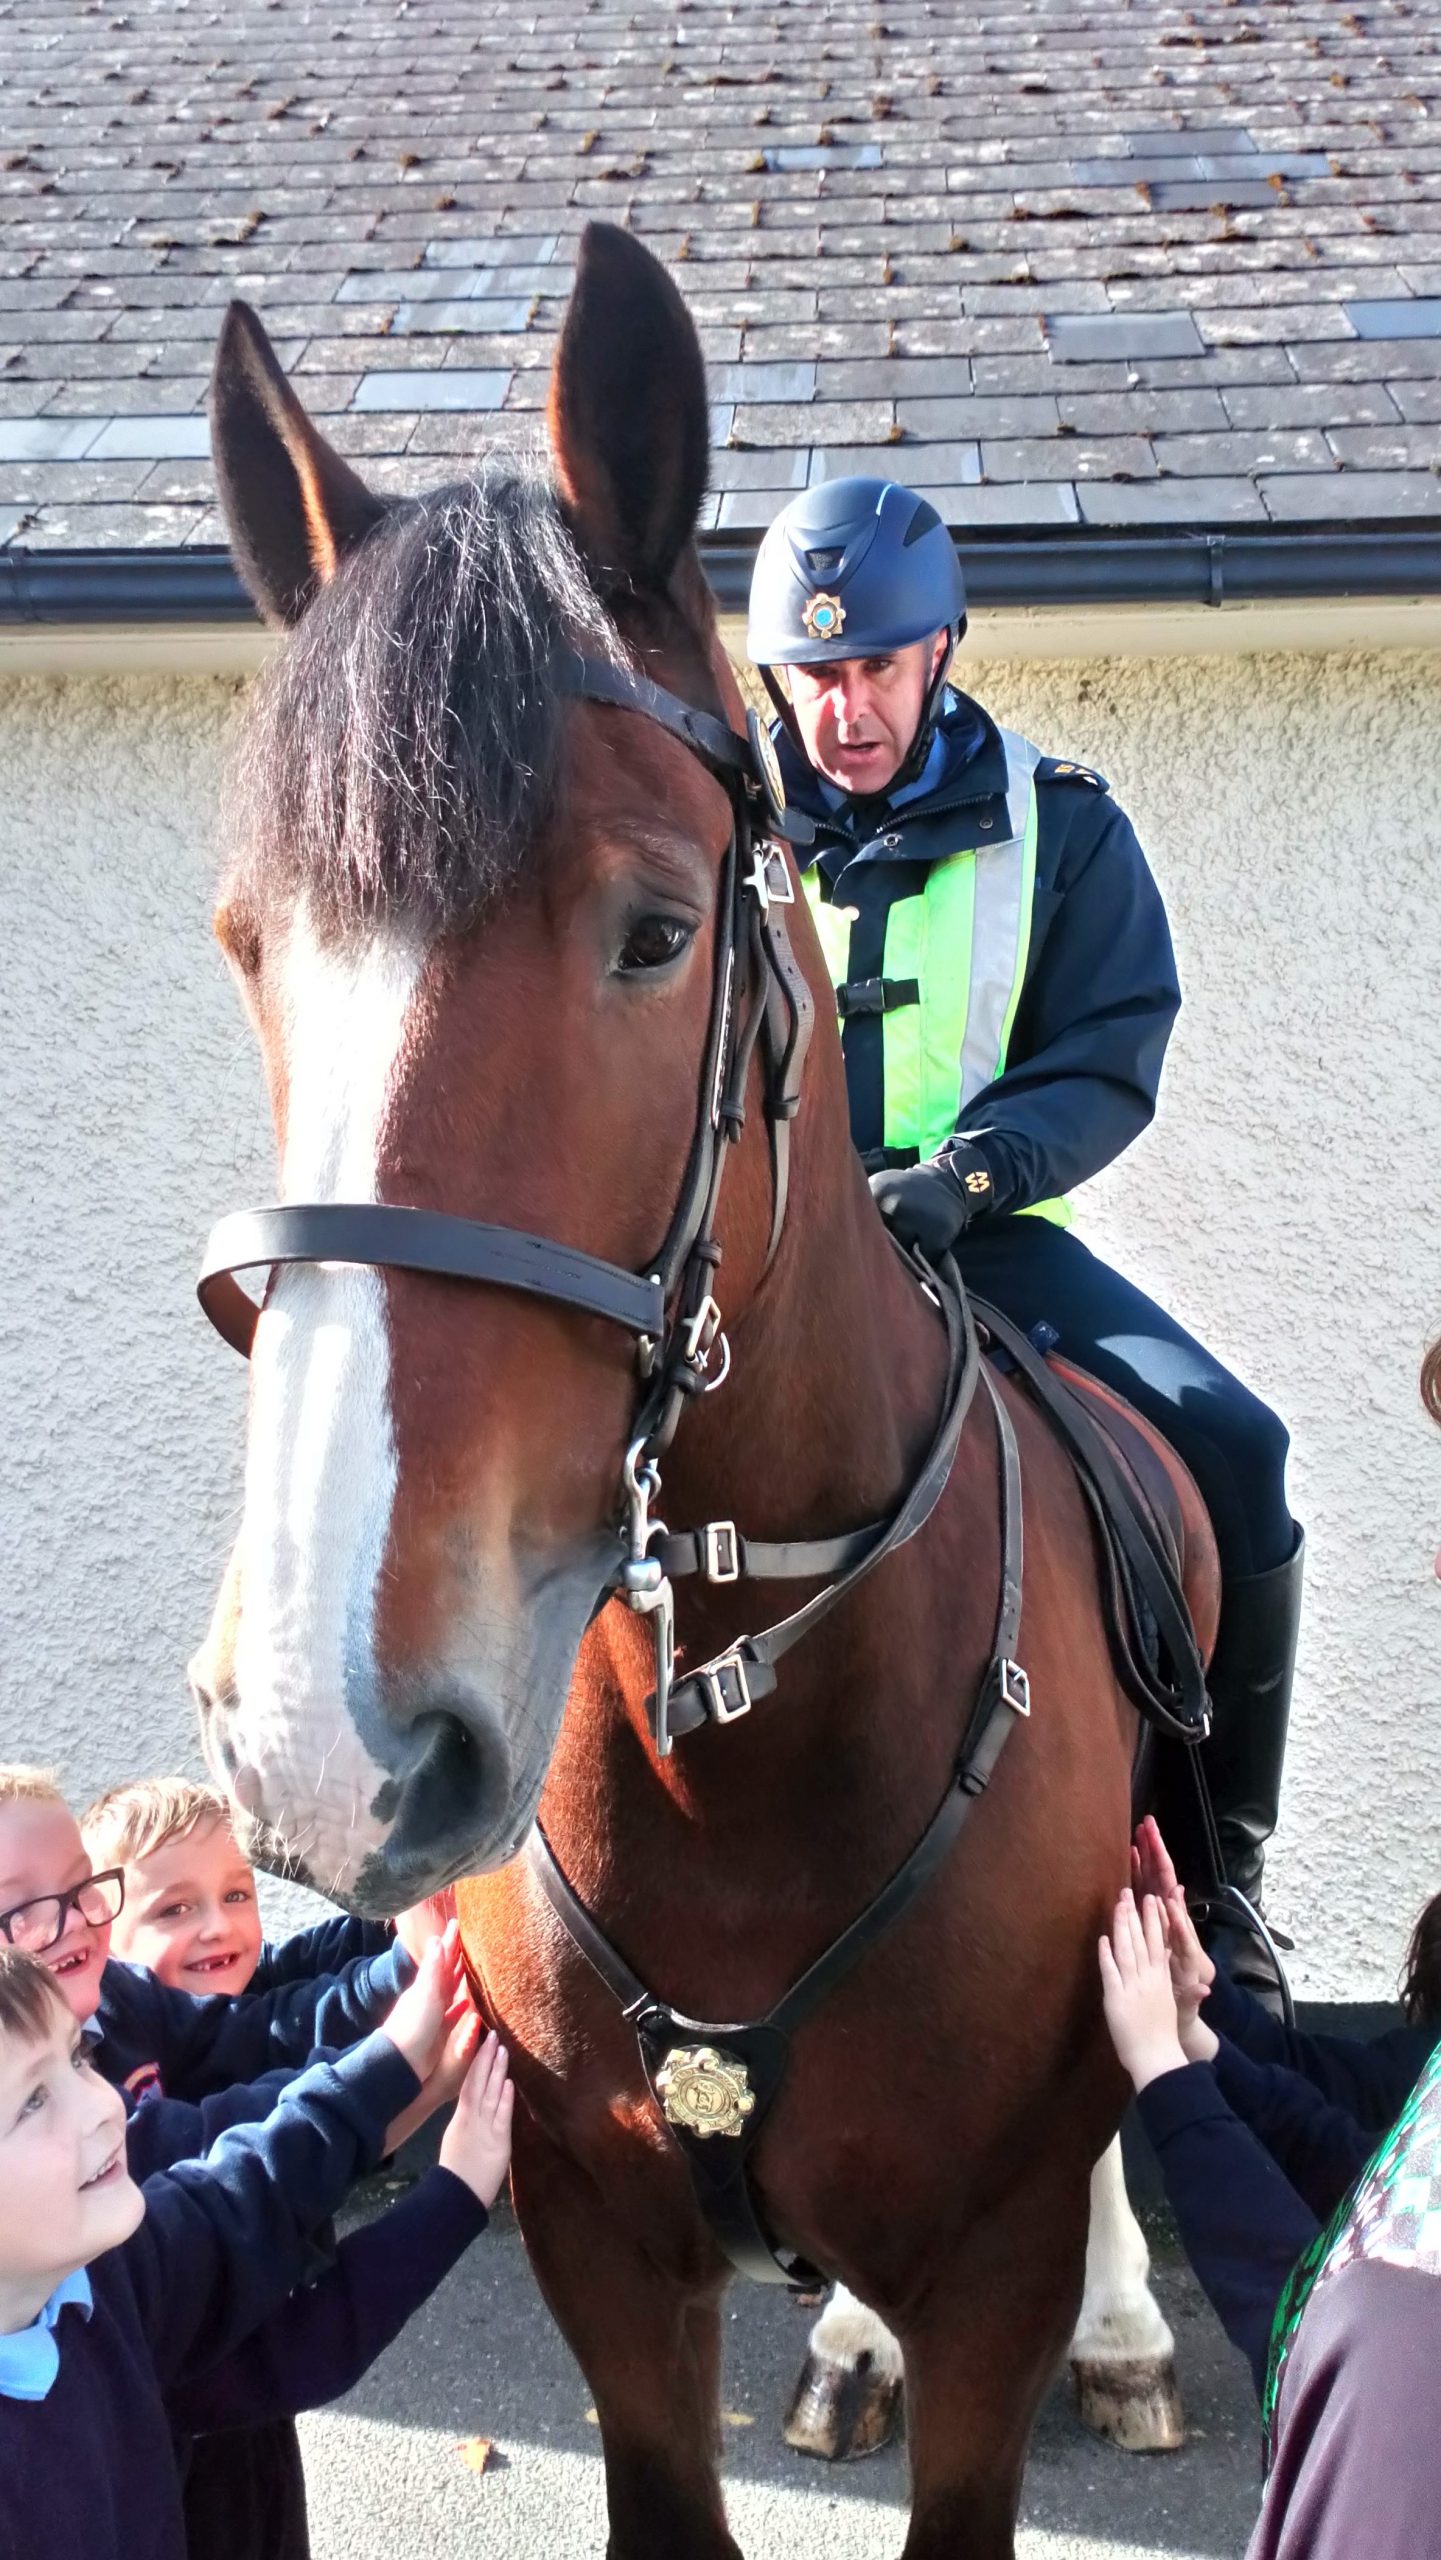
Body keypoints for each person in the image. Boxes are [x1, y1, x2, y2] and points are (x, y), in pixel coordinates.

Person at [748, 478, 1305, 1968]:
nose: (844, 708)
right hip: (766, 1266)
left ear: (939, 653)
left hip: (975, 1233)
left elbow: (1113, 1045)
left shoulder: (1056, 826)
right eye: (814, 675)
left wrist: (969, 1174)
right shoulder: (717, 838)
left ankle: (1217, 1870)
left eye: (873, 666)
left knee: (1241, 1453)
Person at [1, 1763, 467, 2560]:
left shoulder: (118, 2001)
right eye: (22, 1909)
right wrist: (405, 2093)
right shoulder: (107, 2223)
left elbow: (259, 2023)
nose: (72, 1920)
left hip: (236, 2440)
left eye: (83, 1887)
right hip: (200, 2428)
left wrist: (403, 1960)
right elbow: (230, 2156)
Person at [81, 1777, 391, 1999]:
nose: (218, 1927)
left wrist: (413, 1898)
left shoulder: (258, 1977)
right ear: (105, 1940)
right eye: (175, 1909)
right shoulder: (147, 2053)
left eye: (234, 1896)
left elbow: (340, 1943)